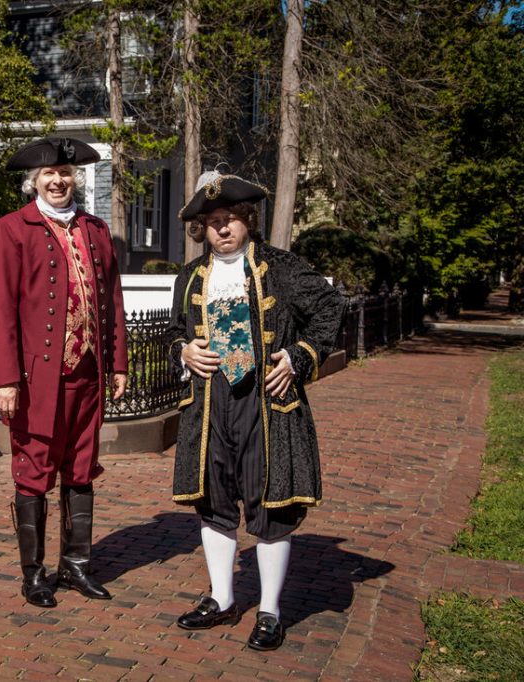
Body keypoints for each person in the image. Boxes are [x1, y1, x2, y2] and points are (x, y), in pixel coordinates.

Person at [168, 170, 344, 650]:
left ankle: (269, 611)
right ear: (200, 230)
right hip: (208, 406)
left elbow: (331, 307)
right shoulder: (189, 278)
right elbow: (172, 334)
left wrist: (299, 356)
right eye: (212, 222)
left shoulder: (281, 267)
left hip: (266, 402)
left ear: (247, 220)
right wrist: (183, 351)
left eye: (230, 219)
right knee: (214, 501)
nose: (222, 229)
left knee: (271, 504)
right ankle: (222, 599)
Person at [0, 137, 129, 608]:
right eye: (49, 174)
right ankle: (34, 574)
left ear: (75, 177)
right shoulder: (11, 229)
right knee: (34, 470)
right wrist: (4, 378)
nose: (58, 179)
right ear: (34, 181)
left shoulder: (97, 229)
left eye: (65, 171)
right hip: (36, 380)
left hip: (88, 375)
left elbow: (114, 302)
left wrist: (118, 362)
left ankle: (76, 565)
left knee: (81, 469)